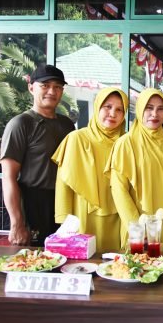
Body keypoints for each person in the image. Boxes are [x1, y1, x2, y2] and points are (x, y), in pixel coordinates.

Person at [0, 65, 75, 246]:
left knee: (66, 256)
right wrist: (17, 223)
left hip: (63, 202)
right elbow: (8, 177)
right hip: (33, 203)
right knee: (35, 258)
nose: (52, 91)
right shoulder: (20, 124)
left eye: (57, 87)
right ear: (31, 88)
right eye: (45, 85)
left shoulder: (67, 125)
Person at [51, 87, 128, 252]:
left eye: (119, 110)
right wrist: (64, 219)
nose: (112, 114)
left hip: (119, 215)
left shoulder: (126, 142)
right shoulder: (77, 138)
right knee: (85, 259)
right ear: (97, 107)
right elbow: (64, 183)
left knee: (115, 262)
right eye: (107, 107)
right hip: (83, 215)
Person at [107, 89, 163, 252]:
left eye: (160, 109)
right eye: (149, 108)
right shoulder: (126, 143)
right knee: (139, 265)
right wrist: (137, 227)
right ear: (140, 109)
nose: (155, 114)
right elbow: (119, 190)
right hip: (139, 221)